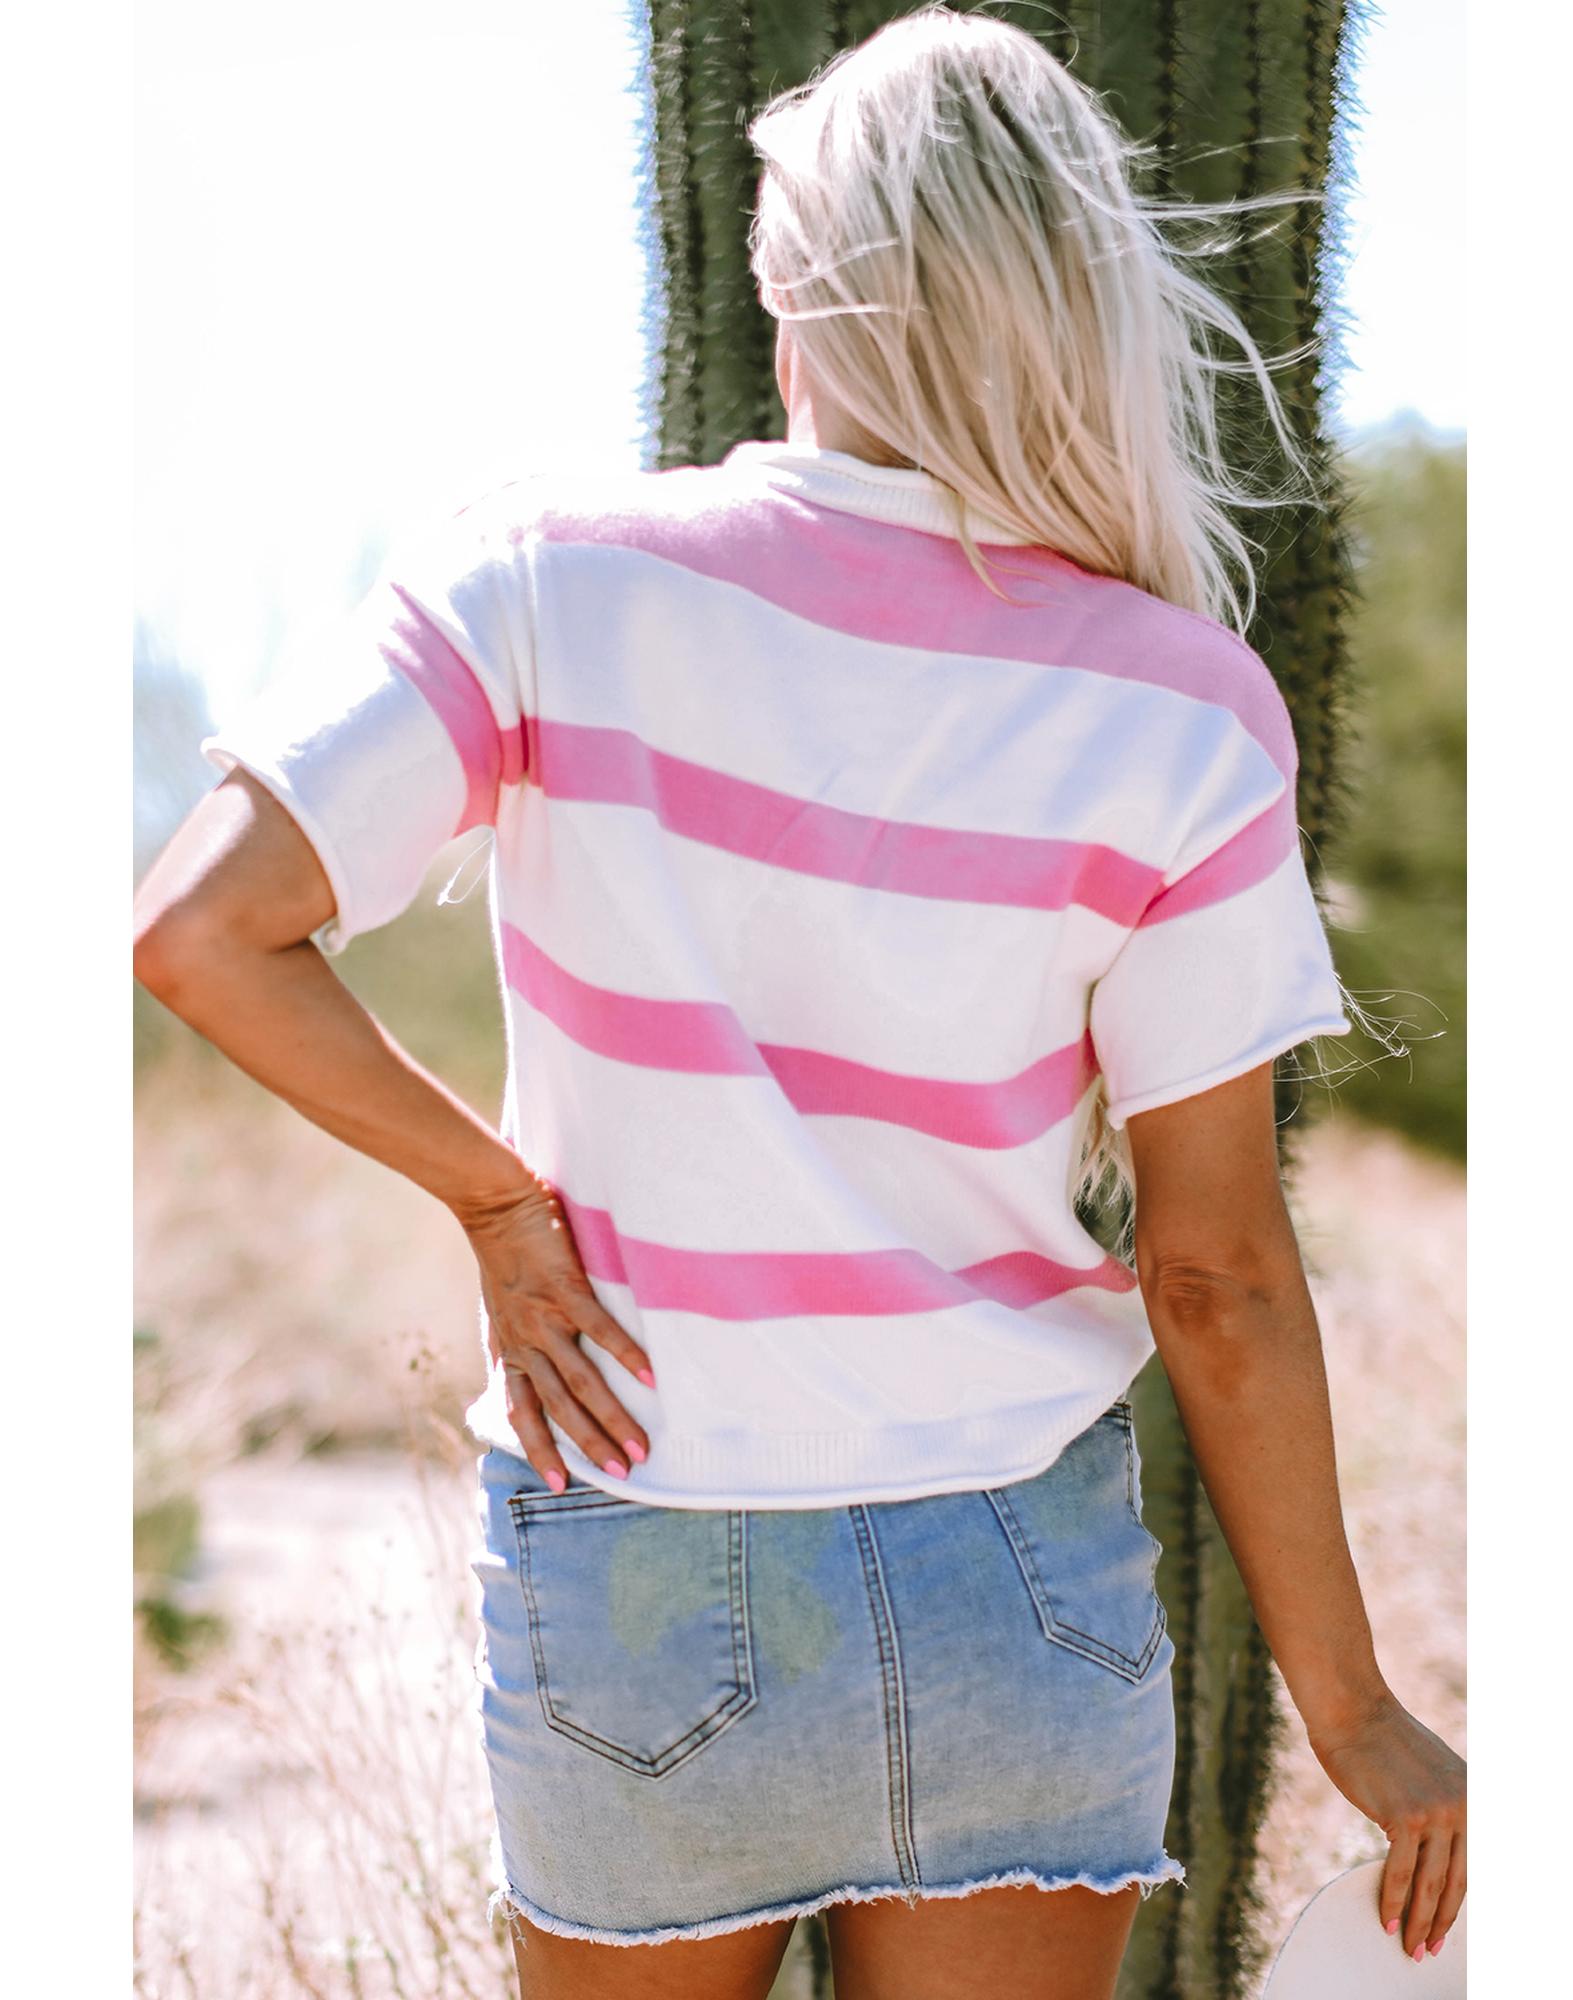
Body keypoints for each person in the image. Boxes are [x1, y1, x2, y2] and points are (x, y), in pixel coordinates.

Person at [130, 8, 1466, 1998]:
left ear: (791, 296)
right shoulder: (1182, 708)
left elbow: (198, 930)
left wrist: (498, 1205)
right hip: (1019, 1577)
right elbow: (1216, 1273)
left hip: (644, 1545)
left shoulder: (544, 577)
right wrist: (1351, 1706)